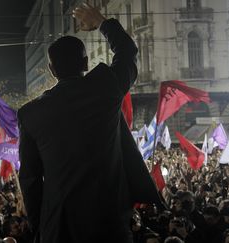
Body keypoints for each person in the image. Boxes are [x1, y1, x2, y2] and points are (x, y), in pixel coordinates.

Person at [18, 3, 163, 243]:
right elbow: (127, 51)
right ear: (86, 64)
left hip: (60, 226)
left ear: (52, 70)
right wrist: (101, 22)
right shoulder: (105, 86)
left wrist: (40, 228)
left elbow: (30, 181)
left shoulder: (31, 114)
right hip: (109, 222)